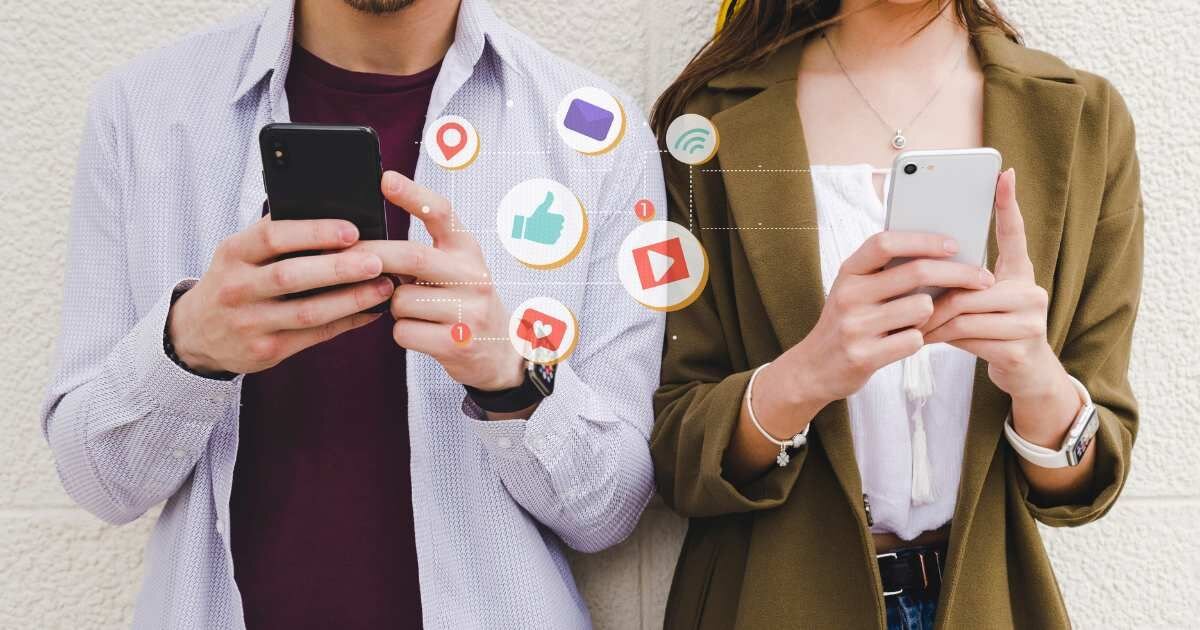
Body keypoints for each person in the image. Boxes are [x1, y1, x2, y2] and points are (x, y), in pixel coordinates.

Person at [41, 0, 666, 627]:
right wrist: (188, 348)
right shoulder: (143, 112)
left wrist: (508, 376)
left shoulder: (592, 134)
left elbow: (607, 511)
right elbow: (102, 486)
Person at [650, 0, 1141, 628]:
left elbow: (1086, 484)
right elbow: (672, 455)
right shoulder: (709, 123)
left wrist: (1035, 378)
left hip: (989, 604)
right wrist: (804, 376)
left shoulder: (1082, 119)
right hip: (769, 600)